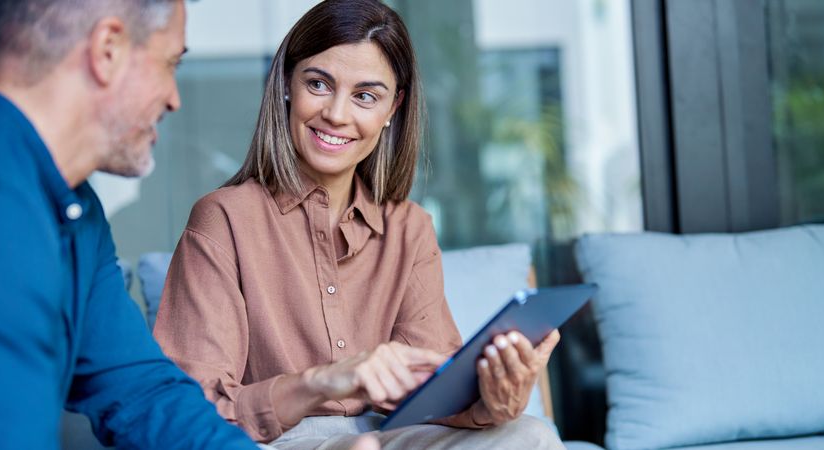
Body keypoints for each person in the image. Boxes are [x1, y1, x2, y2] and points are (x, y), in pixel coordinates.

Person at [153, 1, 565, 449]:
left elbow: (432, 394)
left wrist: (493, 401)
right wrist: (318, 383)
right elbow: (190, 412)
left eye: (365, 96)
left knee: (531, 435)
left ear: (393, 107)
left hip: (387, 434)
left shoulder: (409, 228)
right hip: (276, 441)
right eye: (318, 84)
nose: (337, 114)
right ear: (287, 84)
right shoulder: (223, 219)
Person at [0, 1, 288, 449]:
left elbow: (141, 393)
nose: (174, 99)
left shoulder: (76, 209)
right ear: (107, 50)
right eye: (170, 64)